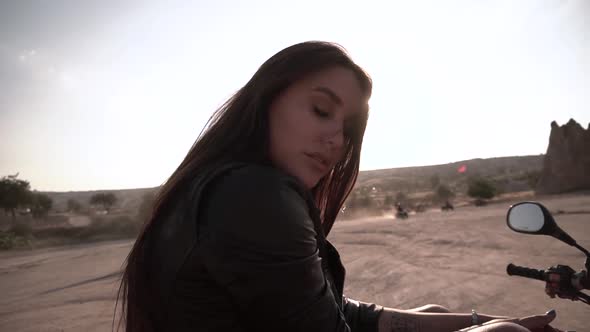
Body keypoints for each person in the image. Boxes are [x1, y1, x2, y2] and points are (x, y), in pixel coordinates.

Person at [116, 41, 560, 332]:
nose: (336, 140)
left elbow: (327, 312)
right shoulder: (254, 194)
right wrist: (498, 331)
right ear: (268, 99)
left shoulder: (213, 187)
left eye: (347, 128)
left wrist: (474, 318)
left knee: (435, 317)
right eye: (320, 110)